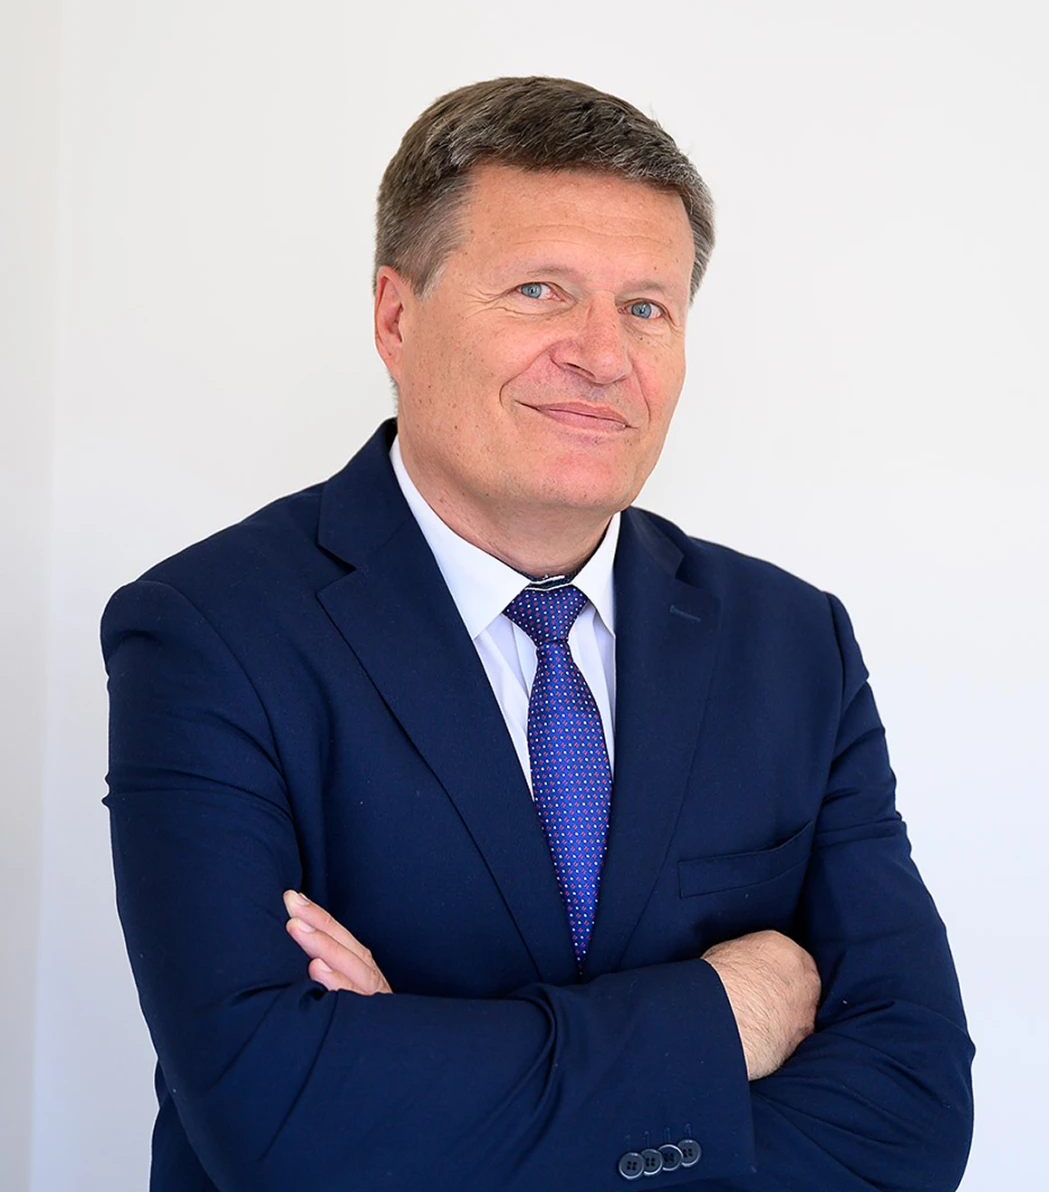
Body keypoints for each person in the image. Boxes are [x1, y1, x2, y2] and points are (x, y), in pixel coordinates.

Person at [103, 76, 973, 1192]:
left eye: (646, 307)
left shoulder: (795, 644)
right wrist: (719, 1015)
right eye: (538, 290)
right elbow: (276, 1125)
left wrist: (420, 1084)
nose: (602, 356)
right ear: (396, 318)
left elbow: (910, 1114)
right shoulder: (207, 633)